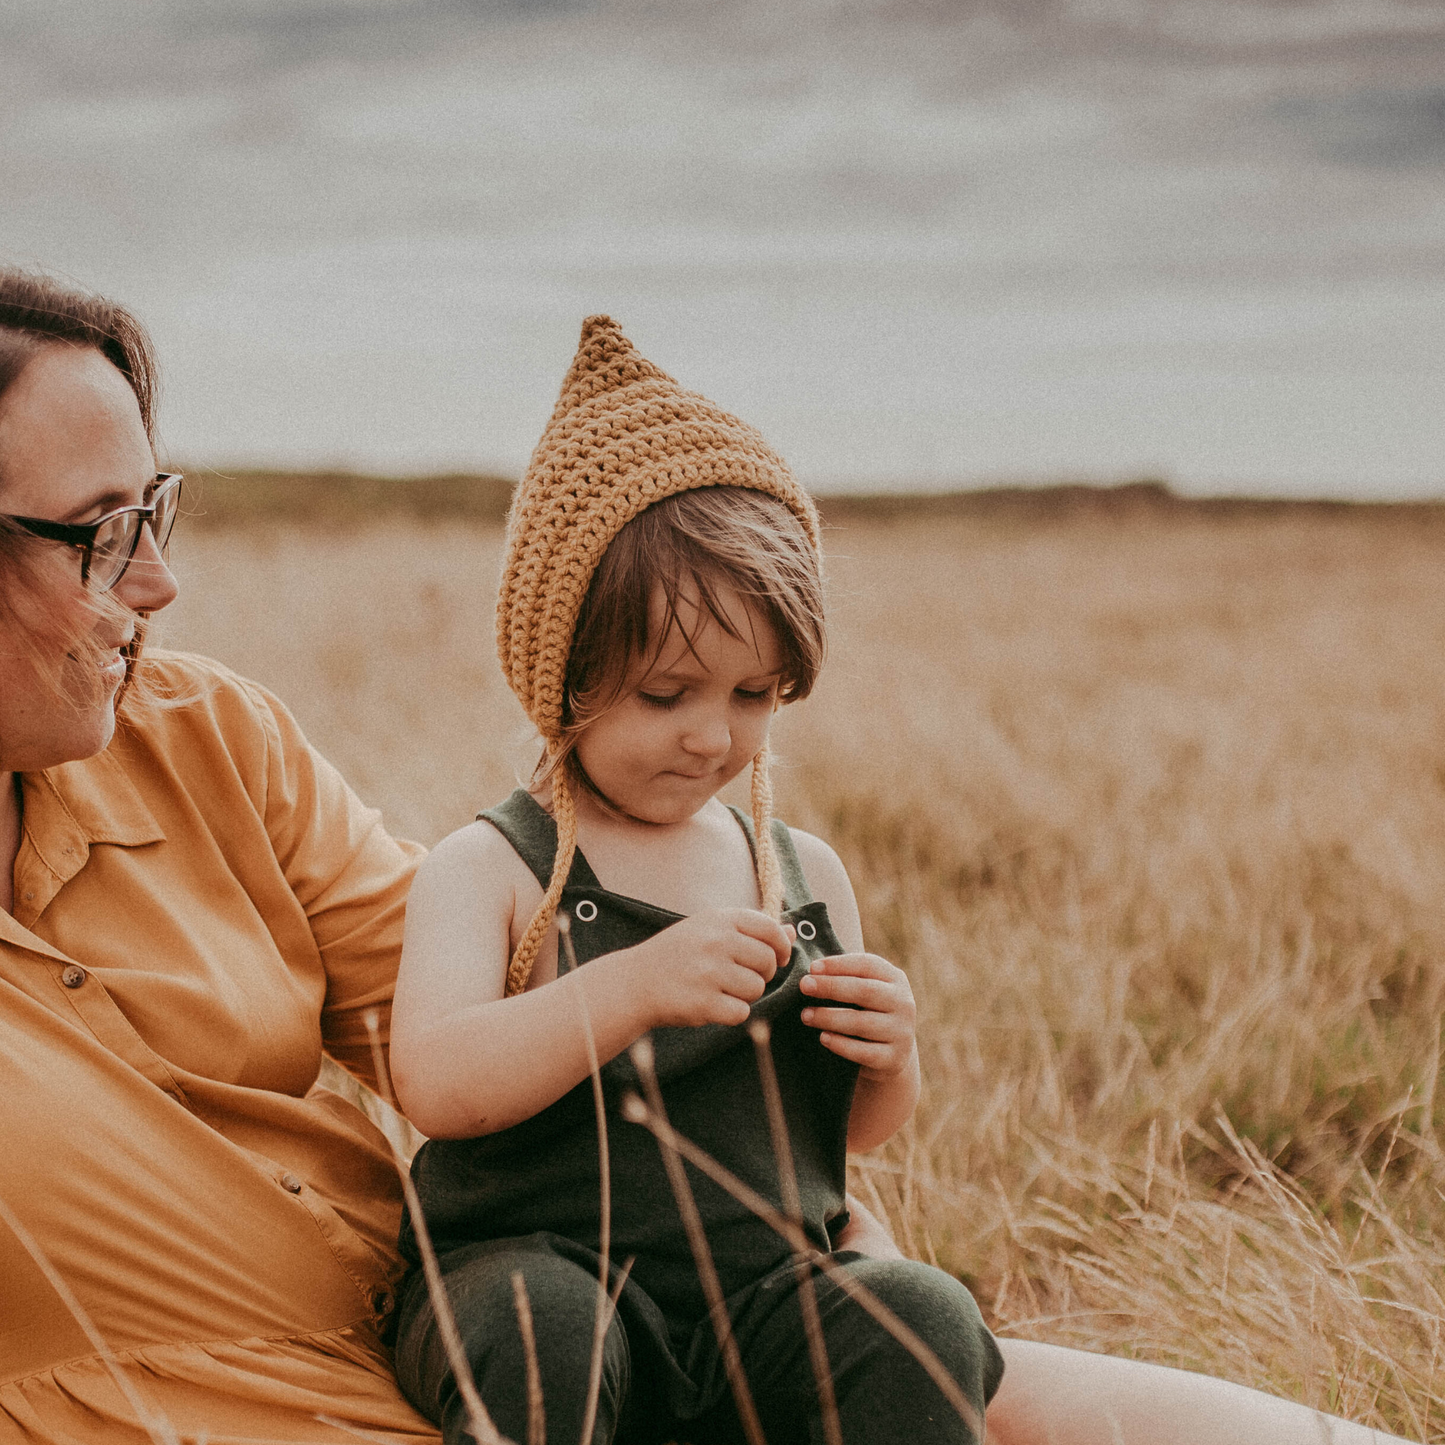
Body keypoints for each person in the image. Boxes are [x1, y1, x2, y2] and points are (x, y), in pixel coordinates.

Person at [0, 268, 1415, 1445]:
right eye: (98, 534)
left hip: (563, 1362)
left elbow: (510, 1044)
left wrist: (847, 1186)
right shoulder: (492, 860)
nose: (160, 582)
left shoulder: (203, 740)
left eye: (158, 512)